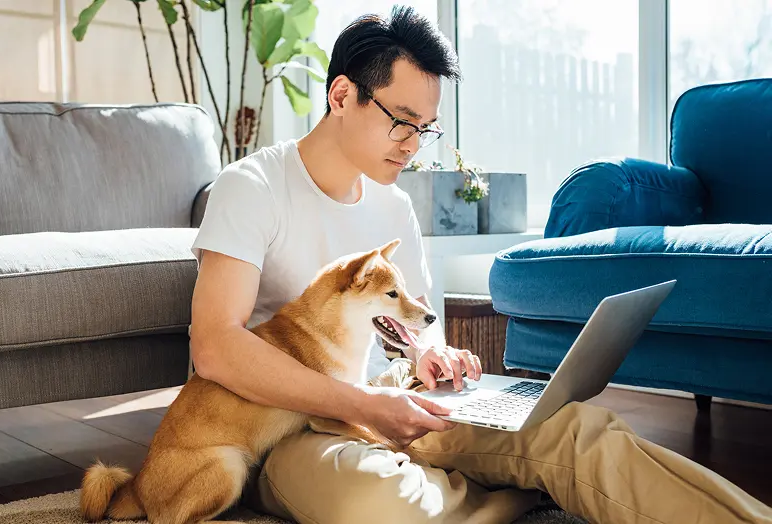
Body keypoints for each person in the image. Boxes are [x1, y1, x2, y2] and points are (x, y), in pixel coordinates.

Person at [188, 6, 772, 523]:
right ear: (342, 96)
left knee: (576, 433)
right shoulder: (253, 187)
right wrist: (364, 405)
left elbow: (414, 333)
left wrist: (432, 356)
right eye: (401, 120)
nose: (413, 143)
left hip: (390, 398)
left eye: (425, 128)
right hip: (284, 424)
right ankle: (515, 490)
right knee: (378, 505)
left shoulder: (393, 204)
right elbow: (215, 345)